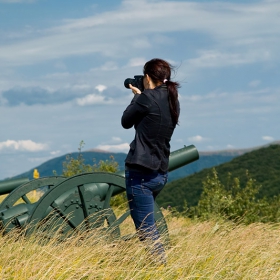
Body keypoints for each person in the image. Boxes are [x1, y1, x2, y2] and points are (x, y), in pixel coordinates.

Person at [121, 58, 180, 264]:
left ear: (147, 77)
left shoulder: (145, 98)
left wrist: (136, 97)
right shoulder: (173, 99)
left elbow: (125, 122)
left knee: (146, 230)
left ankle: (161, 269)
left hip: (141, 173)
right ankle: (158, 266)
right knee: (149, 226)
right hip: (160, 172)